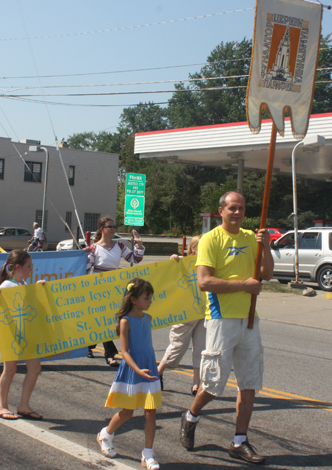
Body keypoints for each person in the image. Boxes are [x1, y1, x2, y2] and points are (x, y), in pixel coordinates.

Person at [180, 191, 273, 464]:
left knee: (250, 383)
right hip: (220, 319)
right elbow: (205, 282)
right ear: (221, 210)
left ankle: (239, 441)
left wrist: (265, 246)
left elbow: (266, 274)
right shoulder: (211, 239)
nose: (237, 212)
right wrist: (243, 285)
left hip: (249, 319)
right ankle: (191, 416)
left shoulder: (250, 238)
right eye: (232, 207)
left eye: (241, 208)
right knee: (212, 383)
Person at [97, 278, 161, 470]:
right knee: (127, 412)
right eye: (146, 298)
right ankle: (105, 435)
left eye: (151, 298)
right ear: (133, 299)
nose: (150, 301)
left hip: (149, 368)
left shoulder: (148, 319)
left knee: (151, 412)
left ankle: (148, 454)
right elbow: (124, 352)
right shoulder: (125, 321)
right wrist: (137, 370)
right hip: (134, 370)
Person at [0, 250, 46, 420]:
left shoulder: (23, 284)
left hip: (27, 332)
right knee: (10, 369)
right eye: (28, 266)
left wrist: (39, 288)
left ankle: (24, 405)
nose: (30, 269)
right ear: (18, 267)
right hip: (12, 333)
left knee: (35, 368)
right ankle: (2, 406)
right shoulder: (6, 286)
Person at [86, 216, 145, 367]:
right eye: (109, 227)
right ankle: (110, 353)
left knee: (109, 319)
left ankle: (90, 346)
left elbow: (135, 258)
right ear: (102, 229)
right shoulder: (94, 248)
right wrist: (84, 256)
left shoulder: (119, 245)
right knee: (101, 318)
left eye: (114, 226)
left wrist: (138, 242)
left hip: (113, 287)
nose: (112, 229)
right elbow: (87, 269)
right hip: (97, 288)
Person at [157, 235, 205, 395]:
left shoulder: (210, 263)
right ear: (193, 248)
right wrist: (174, 261)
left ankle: (196, 383)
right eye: (201, 246)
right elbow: (170, 278)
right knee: (178, 346)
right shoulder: (183, 263)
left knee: (201, 349)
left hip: (204, 311)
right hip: (186, 312)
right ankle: (159, 371)